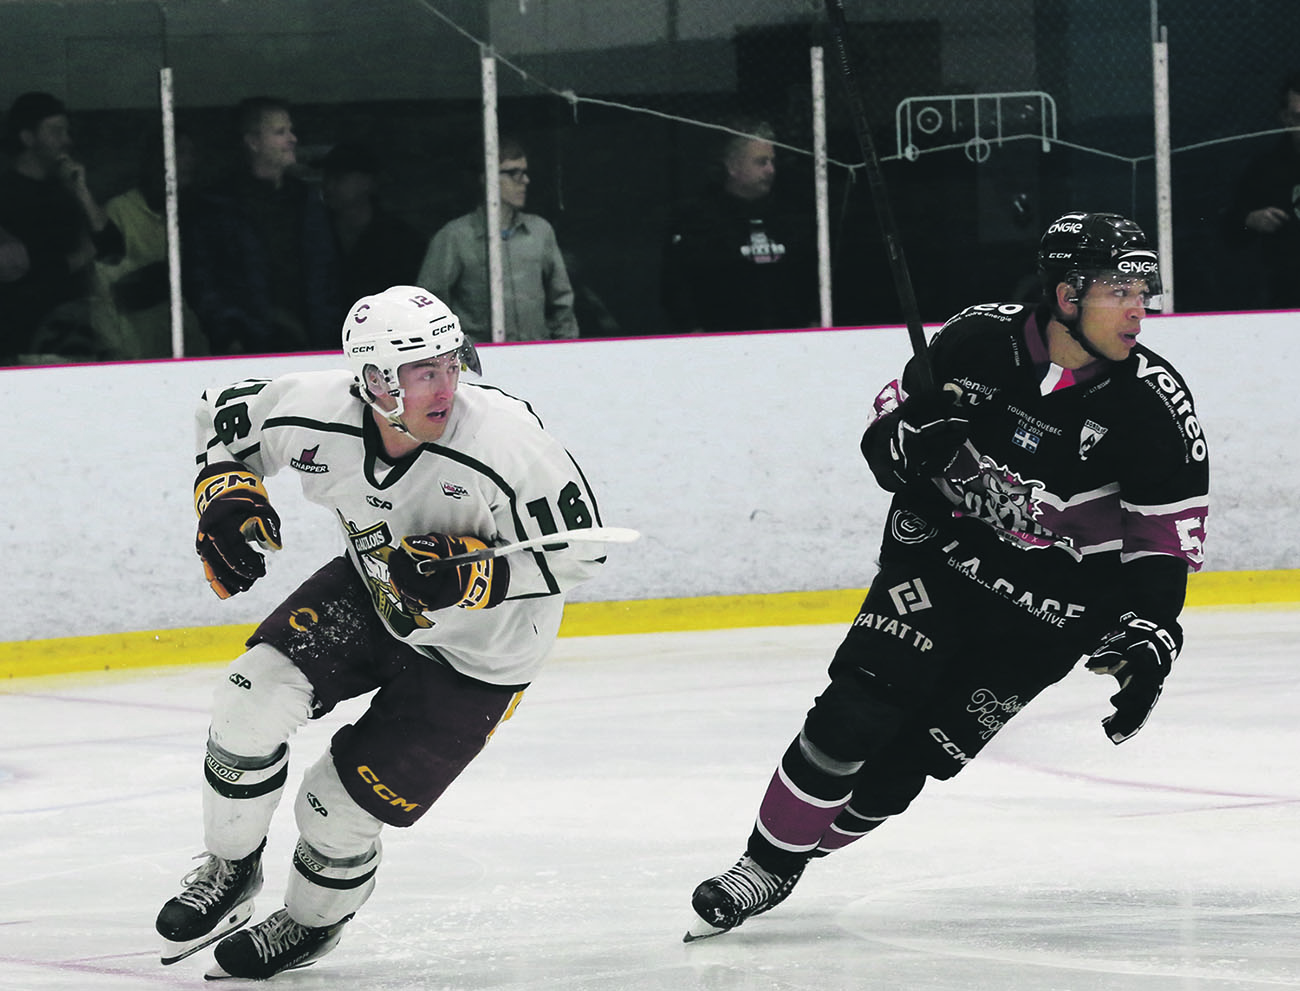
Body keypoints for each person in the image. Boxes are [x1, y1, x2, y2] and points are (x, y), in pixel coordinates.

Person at [684, 212, 1210, 941]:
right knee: (853, 713)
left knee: (901, 771)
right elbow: (884, 440)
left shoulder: (1153, 406)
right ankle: (764, 866)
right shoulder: (975, 342)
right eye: (1116, 288)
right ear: (1064, 295)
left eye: (1141, 290)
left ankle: (794, 851)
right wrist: (909, 440)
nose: (1136, 308)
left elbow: (1161, 541)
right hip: (943, 563)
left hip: (1049, 617)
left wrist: (1154, 629)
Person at [153, 285, 611, 980]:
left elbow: (583, 547)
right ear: (372, 380)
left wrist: (478, 576)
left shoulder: (505, 438)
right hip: (374, 597)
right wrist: (224, 491)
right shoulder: (316, 412)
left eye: (451, 364)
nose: (446, 386)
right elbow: (220, 417)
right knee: (249, 695)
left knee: (331, 808)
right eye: (423, 371)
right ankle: (230, 865)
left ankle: (310, 924)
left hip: (480, 655)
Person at [183, 96, 340, 354]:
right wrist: (229, 334)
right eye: (280, 132)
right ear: (253, 142)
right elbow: (202, 279)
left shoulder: (307, 201)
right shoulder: (218, 206)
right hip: (249, 348)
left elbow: (329, 273)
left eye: (290, 130)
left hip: (315, 345)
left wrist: (332, 332)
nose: (292, 139)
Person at [0, 91, 124, 363]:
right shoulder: (7, 196)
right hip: (25, 337)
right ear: (27, 137)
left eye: (67, 131)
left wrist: (82, 192)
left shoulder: (66, 191)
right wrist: (81, 255)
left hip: (78, 333)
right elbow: (26, 269)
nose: (66, 141)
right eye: (56, 132)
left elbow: (114, 248)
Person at [416, 136, 578, 343]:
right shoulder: (455, 237)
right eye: (513, 173)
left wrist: (566, 347)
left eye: (525, 172)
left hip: (537, 354)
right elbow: (429, 305)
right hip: (477, 360)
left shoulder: (540, 231)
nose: (524, 180)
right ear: (486, 177)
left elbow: (561, 301)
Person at [661, 118, 817, 333]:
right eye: (761, 162)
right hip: (723, 343)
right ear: (733, 166)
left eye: (772, 161)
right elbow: (677, 286)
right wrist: (693, 331)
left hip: (788, 341)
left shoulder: (789, 216)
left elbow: (809, 279)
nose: (771, 170)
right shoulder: (698, 219)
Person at [94, 127, 209, 359]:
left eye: (191, 153)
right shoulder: (120, 211)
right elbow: (108, 290)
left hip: (189, 346)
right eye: (180, 152)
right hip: (137, 351)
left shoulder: (199, 213)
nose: (188, 161)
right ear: (156, 159)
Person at [1222, 69, 1300, 308]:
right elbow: (1227, 230)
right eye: (1299, 118)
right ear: (1285, 118)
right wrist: (1251, 219)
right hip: (1286, 297)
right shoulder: (1265, 169)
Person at [320, 139, 426, 305]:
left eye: (339, 178)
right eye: (326, 177)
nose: (328, 186)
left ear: (367, 182)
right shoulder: (315, 233)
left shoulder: (400, 240)